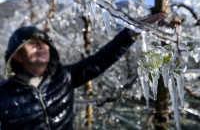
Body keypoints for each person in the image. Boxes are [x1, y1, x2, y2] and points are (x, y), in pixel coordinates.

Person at [0, 13, 165, 130]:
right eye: (31, 43)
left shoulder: (64, 77)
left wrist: (130, 33)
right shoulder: (3, 94)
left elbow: (100, 60)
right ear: (17, 57)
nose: (40, 45)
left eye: (43, 42)